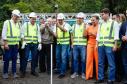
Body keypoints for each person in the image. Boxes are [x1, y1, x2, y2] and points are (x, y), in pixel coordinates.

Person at [95, 8, 119, 84]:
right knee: (100, 63)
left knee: (111, 63)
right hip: (101, 45)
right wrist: (96, 44)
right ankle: (100, 78)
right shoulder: (101, 23)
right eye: (101, 14)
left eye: (103, 14)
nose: (101, 16)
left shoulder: (114, 23)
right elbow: (98, 34)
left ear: (107, 14)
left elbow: (116, 35)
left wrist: (115, 45)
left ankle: (111, 79)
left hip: (109, 45)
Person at [20, 12, 41, 77]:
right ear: (30, 18)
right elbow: (22, 33)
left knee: (34, 57)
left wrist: (40, 43)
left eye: (35, 19)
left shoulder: (37, 25)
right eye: (32, 19)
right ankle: (23, 72)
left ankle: (33, 71)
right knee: (25, 57)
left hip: (34, 43)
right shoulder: (25, 25)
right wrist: (23, 41)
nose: (34, 20)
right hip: (27, 43)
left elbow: (38, 34)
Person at [2, 9, 21, 79]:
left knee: (14, 59)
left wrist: (18, 42)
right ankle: (5, 73)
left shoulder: (18, 24)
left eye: (17, 16)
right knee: (6, 59)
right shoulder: (7, 22)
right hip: (8, 44)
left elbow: (18, 34)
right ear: (12, 15)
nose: (16, 17)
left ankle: (14, 72)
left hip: (15, 44)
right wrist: (5, 43)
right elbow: (4, 33)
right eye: (15, 16)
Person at [54, 13, 72, 78]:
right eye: (59, 19)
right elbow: (55, 35)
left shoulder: (67, 25)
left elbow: (65, 30)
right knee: (57, 57)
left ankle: (62, 72)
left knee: (63, 58)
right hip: (58, 43)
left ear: (63, 19)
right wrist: (54, 33)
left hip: (65, 44)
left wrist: (58, 26)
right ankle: (59, 69)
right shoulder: (56, 25)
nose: (60, 21)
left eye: (61, 19)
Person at [70, 12, 87, 79]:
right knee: (75, 59)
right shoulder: (73, 25)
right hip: (75, 45)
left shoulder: (85, 25)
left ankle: (83, 73)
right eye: (78, 18)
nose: (79, 19)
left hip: (83, 45)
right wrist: (72, 43)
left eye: (80, 18)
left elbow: (85, 35)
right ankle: (75, 72)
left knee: (83, 59)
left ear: (83, 19)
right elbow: (72, 35)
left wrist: (85, 27)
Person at [85, 14, 99, 80]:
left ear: (97, 20)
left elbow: (100, 36)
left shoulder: (100, 27)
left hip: (97, 44)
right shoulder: (89, 27)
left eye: (93, 20)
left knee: (97, 60)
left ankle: (98, 76)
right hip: (90, 44)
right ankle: (88, 75)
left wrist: (93, 34)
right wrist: (85, 27)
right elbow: (85, 35)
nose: (92, 21)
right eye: (91, 20)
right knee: (89, 60)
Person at [119, 15, 127, 84]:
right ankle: (125, 77)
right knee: (124, 63)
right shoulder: (124, 23)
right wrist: (122, 37)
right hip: (124, 46)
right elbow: (120, 33)